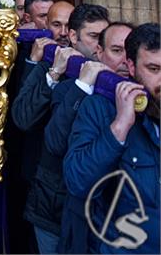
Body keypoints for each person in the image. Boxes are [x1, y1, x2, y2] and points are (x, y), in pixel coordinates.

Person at [12, 4, 109, 254]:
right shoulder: (49, 65)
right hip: (50, 196)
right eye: (94, 37)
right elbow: (24, 117)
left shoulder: (110, 77)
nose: (100, 45)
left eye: (103, 37)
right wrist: (55, 74)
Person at [64, 23, 160, 255]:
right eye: (154, 69)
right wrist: (119, 127)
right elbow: (77, 181)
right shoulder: (100, 109)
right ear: (131, 66)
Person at [44, 22, 135, 254]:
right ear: (99, 52)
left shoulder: (146, 101)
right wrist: (83, 86)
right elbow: (55, 143)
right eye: (116, 51)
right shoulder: (71, 89)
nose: (125, 60)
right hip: (72, 217)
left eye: (130, 53)